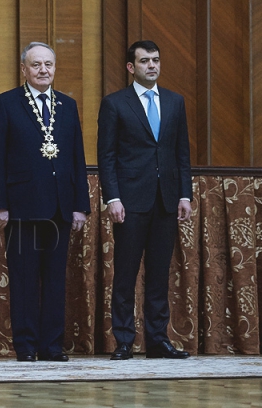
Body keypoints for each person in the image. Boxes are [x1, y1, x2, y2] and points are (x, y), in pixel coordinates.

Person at [0, 42, 90, 362]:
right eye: (36, 65)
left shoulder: (68, 105)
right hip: (21, 207)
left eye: (48, 64)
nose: (43, 70)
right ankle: (27, 346)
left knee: (56, 281)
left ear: (55, 68)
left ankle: (52, 346)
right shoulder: (5, 104)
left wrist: (80, 205)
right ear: (24, 70)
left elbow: (77, 159)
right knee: (25, 280)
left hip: (59, 206)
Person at [97, 40, 192, 360]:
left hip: (166, 201)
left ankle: (157, 340)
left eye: (156, 60)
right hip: (130, 201)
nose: (152, 65)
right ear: (130, 67)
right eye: (144, 61)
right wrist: (112, 198)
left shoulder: (175, 102)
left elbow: (181, 153)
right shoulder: (114, 103)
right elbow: (106, 156)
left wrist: (184, 194)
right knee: (124, 273)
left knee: (158, 273)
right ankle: (123, 340)